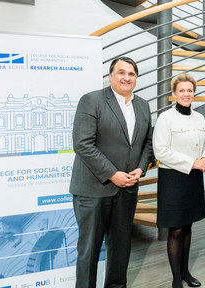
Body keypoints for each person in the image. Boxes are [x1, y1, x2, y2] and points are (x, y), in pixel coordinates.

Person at [70, 57, 153, 288]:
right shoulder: (92, 100)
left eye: (132, 74)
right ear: (111, 76)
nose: (127, 77)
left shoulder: (143, 105)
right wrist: (112, 174)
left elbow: (148, 144)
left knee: (121, 248)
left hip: (127, 191)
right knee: (89, 252)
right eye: (121, 72)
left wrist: (141, 168)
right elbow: (83, 144)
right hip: (94, 190)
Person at [153, 73, 205, 288]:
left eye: (189, 90)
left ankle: (185, 272)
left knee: (188, 226)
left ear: (194, 93)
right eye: (182, 91)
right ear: (174, 94)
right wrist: (192, 163)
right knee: (176, 229)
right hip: (174, 178)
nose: (186, 94)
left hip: (193, 178)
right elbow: (160, 151)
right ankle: (176, 279)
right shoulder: (165, 118)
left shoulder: (199, 118)